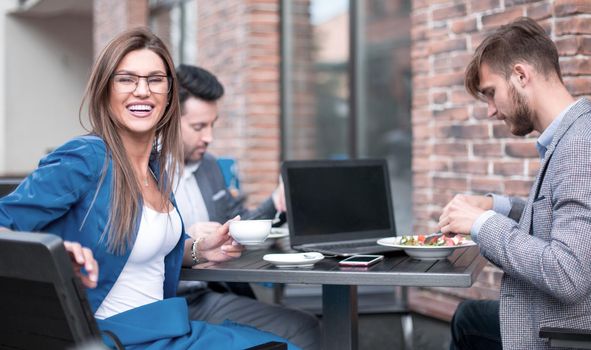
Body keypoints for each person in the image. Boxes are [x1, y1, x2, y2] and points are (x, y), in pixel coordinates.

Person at [0, 28, 298, 349]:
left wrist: (199, 249)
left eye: (155, 79)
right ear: (105, 90)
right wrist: (52, 252)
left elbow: (144, 253)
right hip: (112, 336)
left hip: (166, 325)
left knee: (284, 343)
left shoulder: (154, 168)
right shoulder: (86, 158)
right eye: (126, 79)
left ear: (169, 95)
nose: (142, 91)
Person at [438, 17, 591, 350]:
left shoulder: (579, 145)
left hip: (561, 331)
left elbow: (568, 274)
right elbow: (557, 215)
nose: (491, 111)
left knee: (468, 320)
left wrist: (481, 224)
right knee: (467, 317)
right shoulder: (570, 135)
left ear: (521, 76)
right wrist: (495, 206)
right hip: (552, 319)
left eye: (491, 94)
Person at [174, 64, 321, 350]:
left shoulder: (209, 168)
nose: (209, 137)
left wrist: (276, 201)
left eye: (212, 125)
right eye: (198, 127)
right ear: (168, 119)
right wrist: (187, 238)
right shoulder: (144, 172)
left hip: (204, 295)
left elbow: (239, 224)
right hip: (166, 303)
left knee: (304, 327)